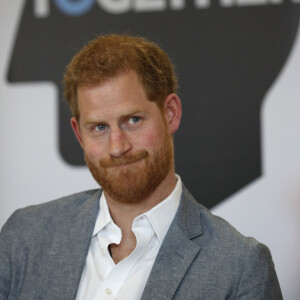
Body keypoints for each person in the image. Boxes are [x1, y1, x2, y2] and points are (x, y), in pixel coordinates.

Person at [0, 34, 282, 299]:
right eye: (99, 127)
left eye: (132, 120)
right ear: (78, 134)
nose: (117, 146)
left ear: (170, 114)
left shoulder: (241, 267)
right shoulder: (23, 238)